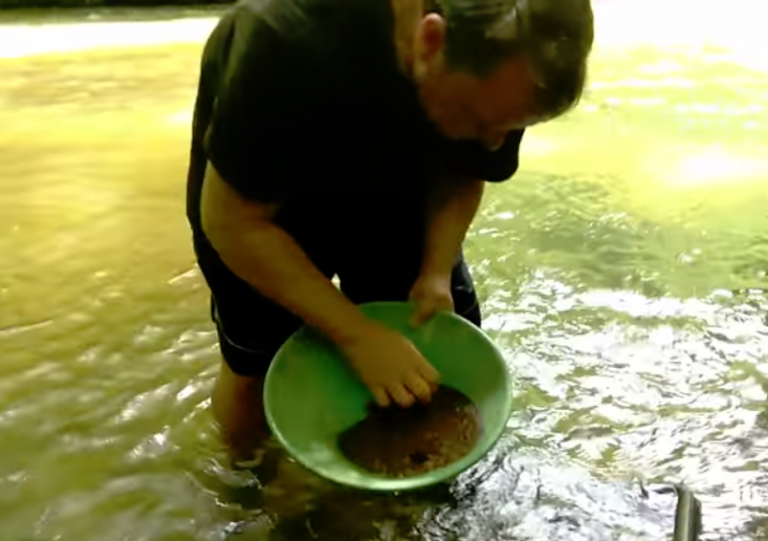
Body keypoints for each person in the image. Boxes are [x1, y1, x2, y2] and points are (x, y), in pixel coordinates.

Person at [186, 0, 594, 465]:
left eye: (510, 127)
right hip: (266, 197)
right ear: (431, 41)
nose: (494, 143)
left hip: (403, 182)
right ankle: (247, 499)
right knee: (254, 369)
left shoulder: (514, 60)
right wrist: (357, 335)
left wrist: (437, 270)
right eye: (479, 121)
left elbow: (470, 166)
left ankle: (406, 505)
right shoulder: (285, 37)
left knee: (431, 356)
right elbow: (232, 223)